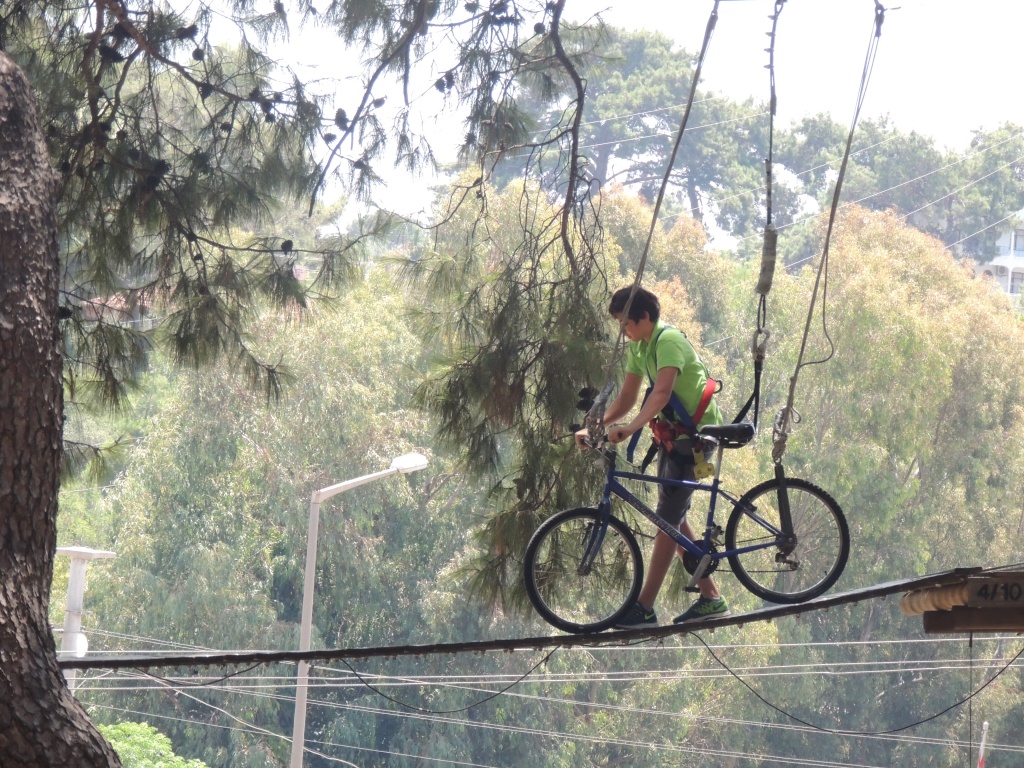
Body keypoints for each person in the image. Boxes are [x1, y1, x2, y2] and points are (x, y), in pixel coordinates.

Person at [575, 286, 731, 626]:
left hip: (697, 438)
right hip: (673, 439)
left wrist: (629, 429)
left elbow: (660, 395)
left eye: (624, 323)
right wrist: (596, 426)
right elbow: (628, 397)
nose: (623, 330)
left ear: (643, 318)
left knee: (667, 520)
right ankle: (711, 596)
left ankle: (643, 608)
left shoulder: (668, 341)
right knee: (670, 518)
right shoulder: (640, 347)